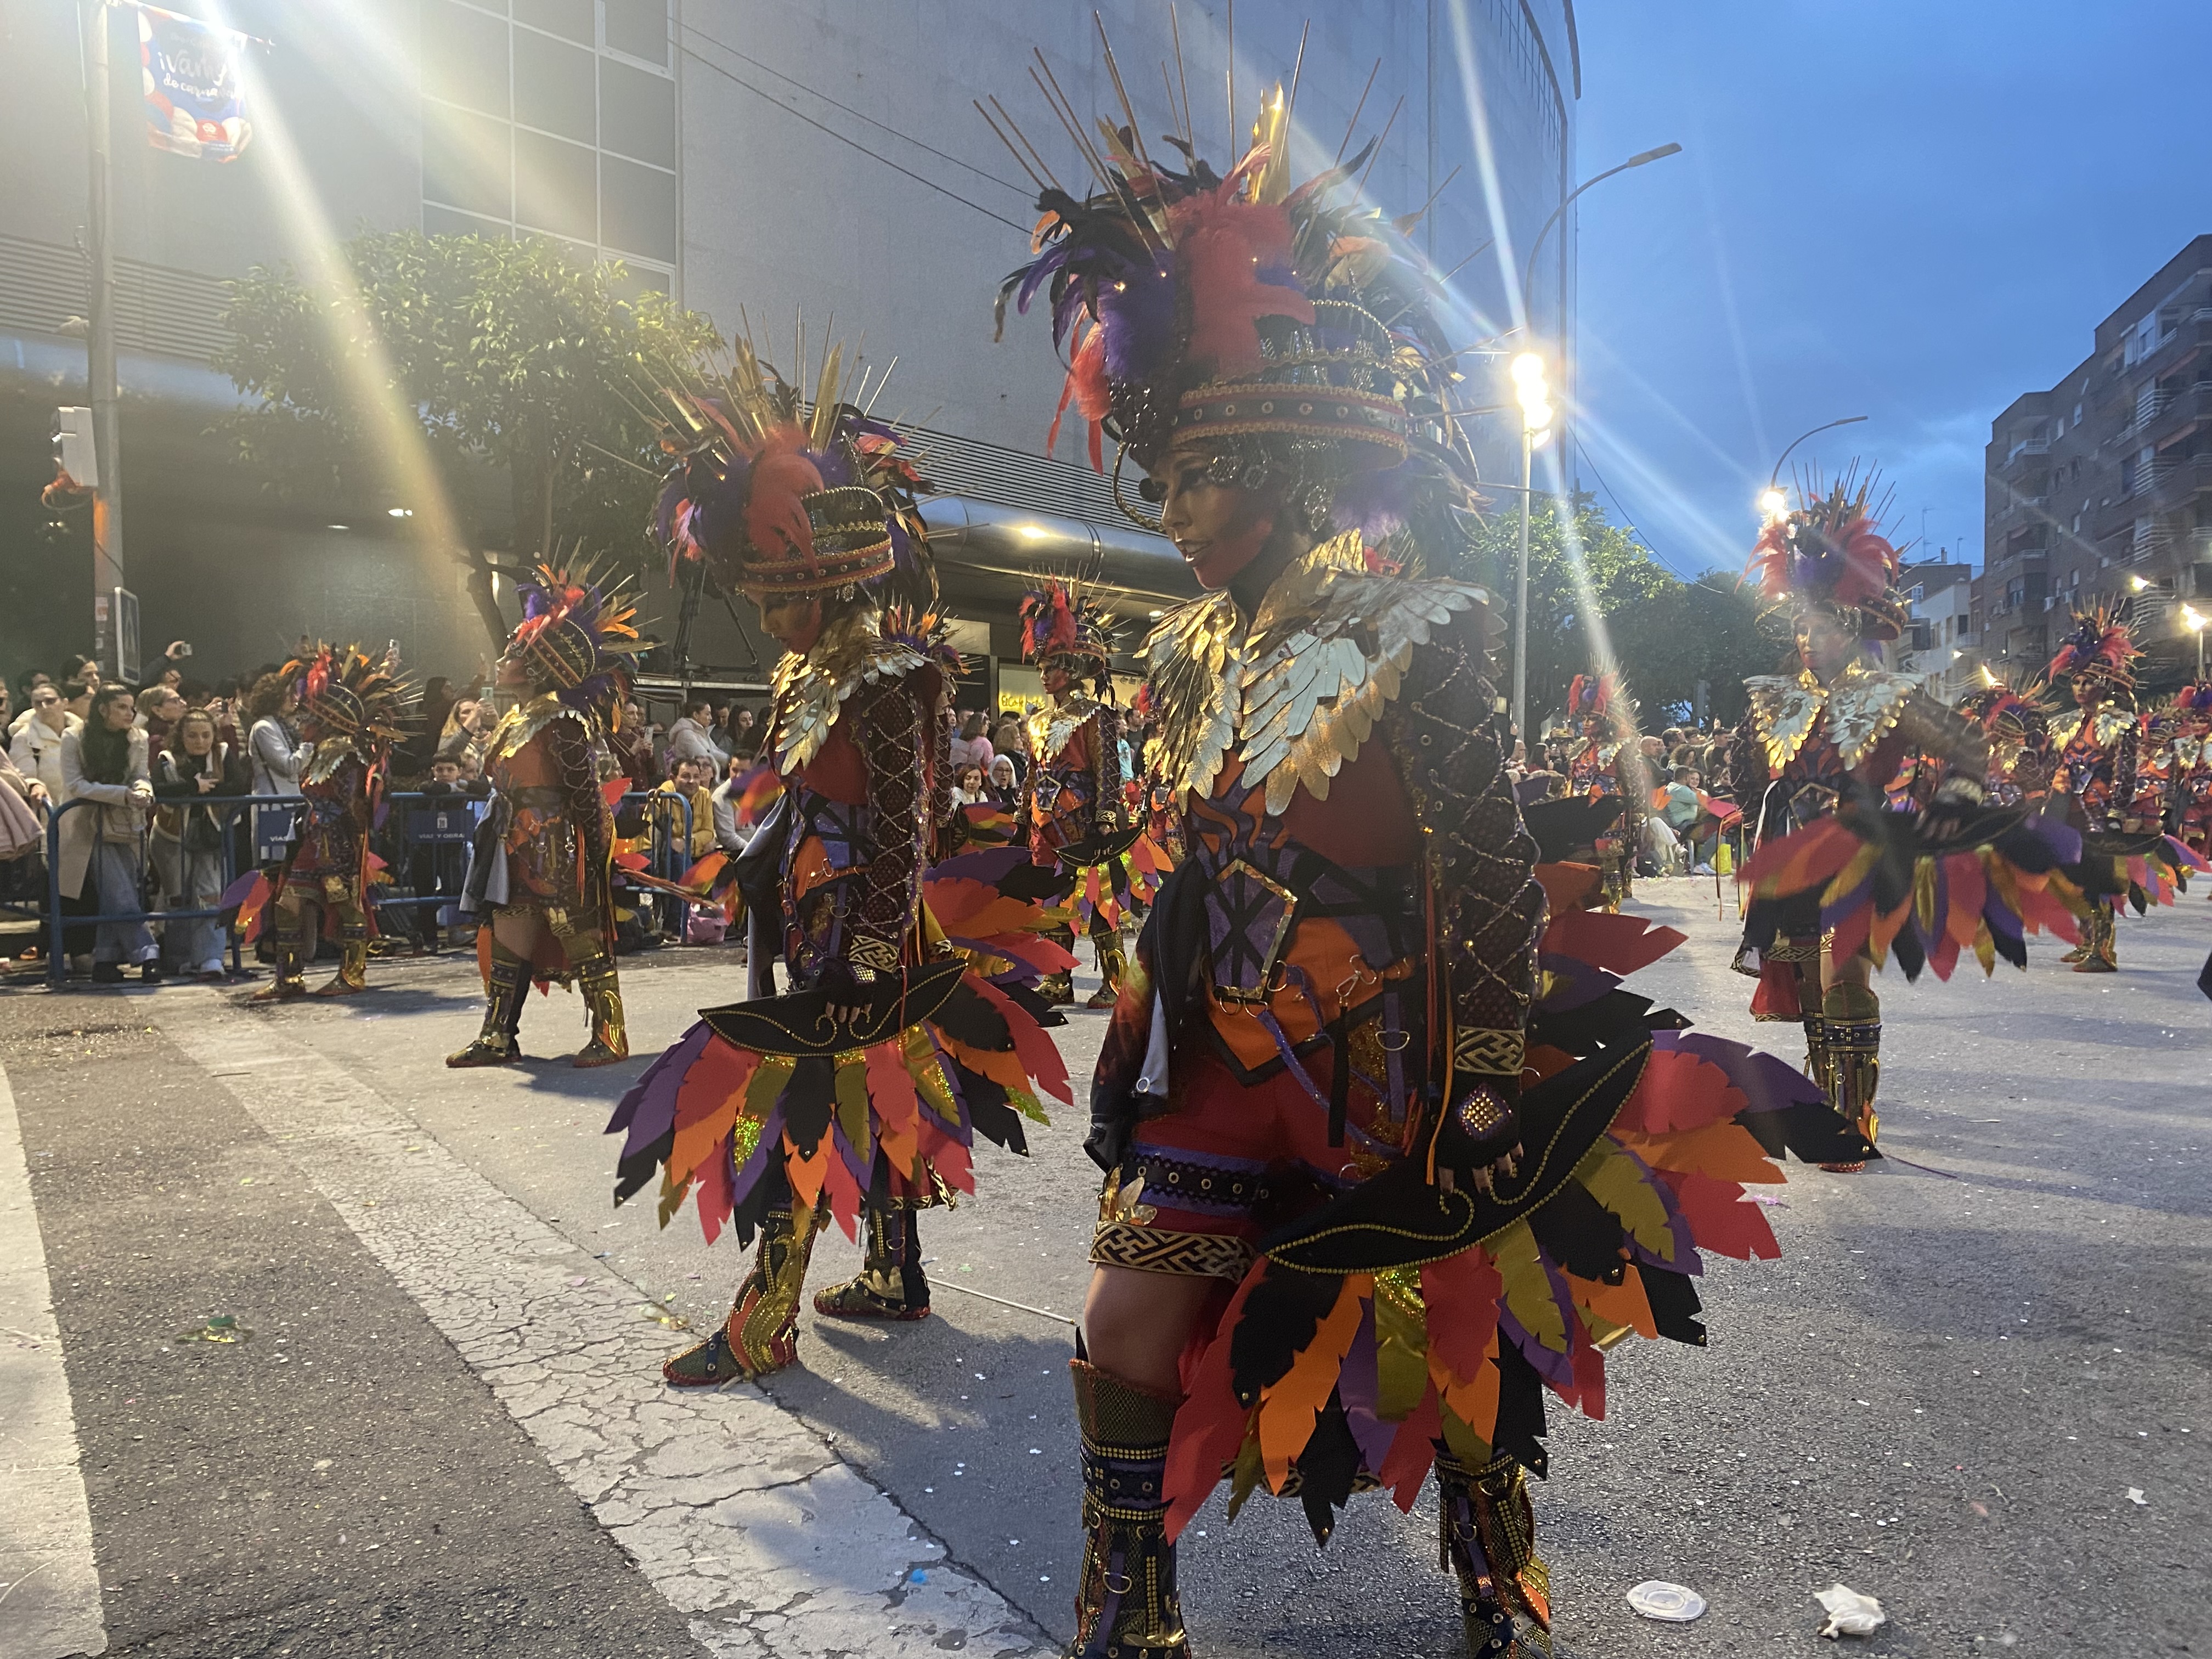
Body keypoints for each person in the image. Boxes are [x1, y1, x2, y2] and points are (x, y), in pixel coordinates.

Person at [1000, 89, 1866, 1659]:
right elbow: (1186, 860)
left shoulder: (1426, 631)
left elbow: (1482, 876)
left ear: (1279, 461)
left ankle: (1492, 1554)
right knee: (1127, 1313)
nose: (1175, 514)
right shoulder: (1190, 654)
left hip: (1379, 1070)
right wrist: (1131, 1014)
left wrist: (1475, 1090)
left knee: (1438, 1322)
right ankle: (1131, 1595)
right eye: (1163, 479)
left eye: (1201, 476)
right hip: (1215, 1069)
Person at [612, 334, 1068, 1383]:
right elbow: (801, 801)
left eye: (777, 597)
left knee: (800, 1107)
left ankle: (764, 1316)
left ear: (821, 582)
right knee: (877, 1092)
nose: (767, 620)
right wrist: (753, 862)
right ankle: (894, 1272)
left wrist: (865, 949)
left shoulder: (889, 678)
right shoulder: (809, 674)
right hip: (820, 921)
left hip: (866, 937)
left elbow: (907, 824)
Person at [1732, 479, 2080, 1167]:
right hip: (1793, 857)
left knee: (1845, 981)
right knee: (1810, 989)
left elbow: (1969, 744)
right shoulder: (1773, 699)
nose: (1809, 638)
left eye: (1823, 626)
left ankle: (1852, 1119)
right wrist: (1758, 811)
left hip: (1863, 853)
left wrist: (1950, 808)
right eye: (1802, 625)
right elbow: (1749, 768)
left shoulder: (1889, 696)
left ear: (1851, 628)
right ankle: (1823, 1103)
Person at [448, 566, 641, 1068]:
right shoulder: (516, 719)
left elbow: (585, 794)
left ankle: (611, 1033)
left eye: (515, 652)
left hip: (557, 850)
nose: (503, 660)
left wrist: (595, 862)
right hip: (512, 848)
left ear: (539, 666)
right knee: (508, 934)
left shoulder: (563, 720)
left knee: (580, 936)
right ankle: (497, 1036)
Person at [2039, 610, 2203, 971]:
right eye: (2077, 682)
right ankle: (2086, 941)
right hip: (2070, 813)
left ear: (2107, 684)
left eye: (2089, 682)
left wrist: (2116, 811)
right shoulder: (2069, 725)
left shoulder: (2121, 724)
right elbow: (2062, 767)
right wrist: (2055, 793)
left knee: (2098, 880)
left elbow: (2126, 771)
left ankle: (2103, 950)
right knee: (2073, 878)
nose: (2081, 689)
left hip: (2101, 815)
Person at [1016, 579, 1152, 1008]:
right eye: (1041, 667)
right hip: (1043, 823)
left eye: (1051, 666)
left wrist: (1107, 816)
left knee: (1097, 899)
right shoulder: (1037, 721)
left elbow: (1107, 769)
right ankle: (1058, 978)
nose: (1044, 675)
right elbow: (1033, 771)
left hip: (1082, 821)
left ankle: (1115, 981)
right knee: (1052, 900)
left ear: (1073, 667)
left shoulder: (1097, 715)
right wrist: (1022, 811)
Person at [249, 644, 408, 1001]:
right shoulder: (320, 750)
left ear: (326, 718)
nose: (303, 720)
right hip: (311, 840)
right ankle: (289, 977)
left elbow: (353, 805)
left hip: (337, 844)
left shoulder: (347, 754)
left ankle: (352, 974)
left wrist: (339, 839)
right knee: (287, 905)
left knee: (347, 906)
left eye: (310, 715)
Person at [60, 685, 159, 984]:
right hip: (87, 825)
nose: (130, 713)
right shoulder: (74, 737)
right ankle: (147, 952)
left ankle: (105, 959)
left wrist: (143, 791)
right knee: (119, 891)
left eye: (132, 707)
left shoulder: (138, 738)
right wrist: (122, 794)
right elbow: (75, 784)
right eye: (122, 707)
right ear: (103, 709)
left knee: (120, 890)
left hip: (126, 823)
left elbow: (141, 775)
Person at [151, 707, 248, 980]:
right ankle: (179, 958)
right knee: (178, 898)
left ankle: (210, 959)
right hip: (171, 838)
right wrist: (193, 788)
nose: (200, 741)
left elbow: (240, 786)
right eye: (192, 736)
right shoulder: (167, 759)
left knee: (210, 896)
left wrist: (209, 789)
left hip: (212, 837)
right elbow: (157, 789)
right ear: (181, 736)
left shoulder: (223, 754)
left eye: (206, 735)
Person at [665, 694, 726, 771]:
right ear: (696, 715)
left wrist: (728, 760)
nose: (711, 718)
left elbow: (715, 752)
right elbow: (705, 758)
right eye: (707, 714)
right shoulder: (686, 735)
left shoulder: (702, 733)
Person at [949, 708, 995, 774]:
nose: (988, 728)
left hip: (962, 773)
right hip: (979, 774)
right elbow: (989, 764)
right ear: (980, 726)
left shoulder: (963, 739)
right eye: (987, 725)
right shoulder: (985, 742)